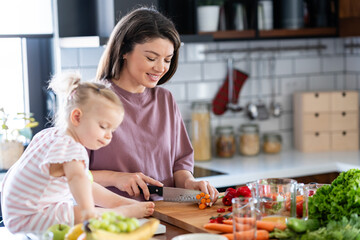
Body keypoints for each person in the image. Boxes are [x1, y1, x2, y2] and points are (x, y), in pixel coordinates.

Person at [89, 6, 219, 203]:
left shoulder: (165, 100)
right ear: (124, 50)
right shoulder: (91, 99)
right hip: (113, 221)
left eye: (167, 59)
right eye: (151, 58)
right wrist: (117, 178)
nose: (160, 68)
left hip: (166, 215)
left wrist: (189, 183)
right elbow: (66, 174)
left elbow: (179, 163)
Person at [1, 72, 155, 234]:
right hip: (28, 218)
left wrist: (124, 201)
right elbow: (78, 179)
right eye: (103, 126)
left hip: (17, 215)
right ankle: (122, 213)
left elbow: (85, 183)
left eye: (112, 130)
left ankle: (123, 207)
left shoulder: (51, 135)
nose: (109, 135)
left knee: (74, 201)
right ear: (77, 117)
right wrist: (89, 213)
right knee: (77, 212)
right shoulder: (71, 147)